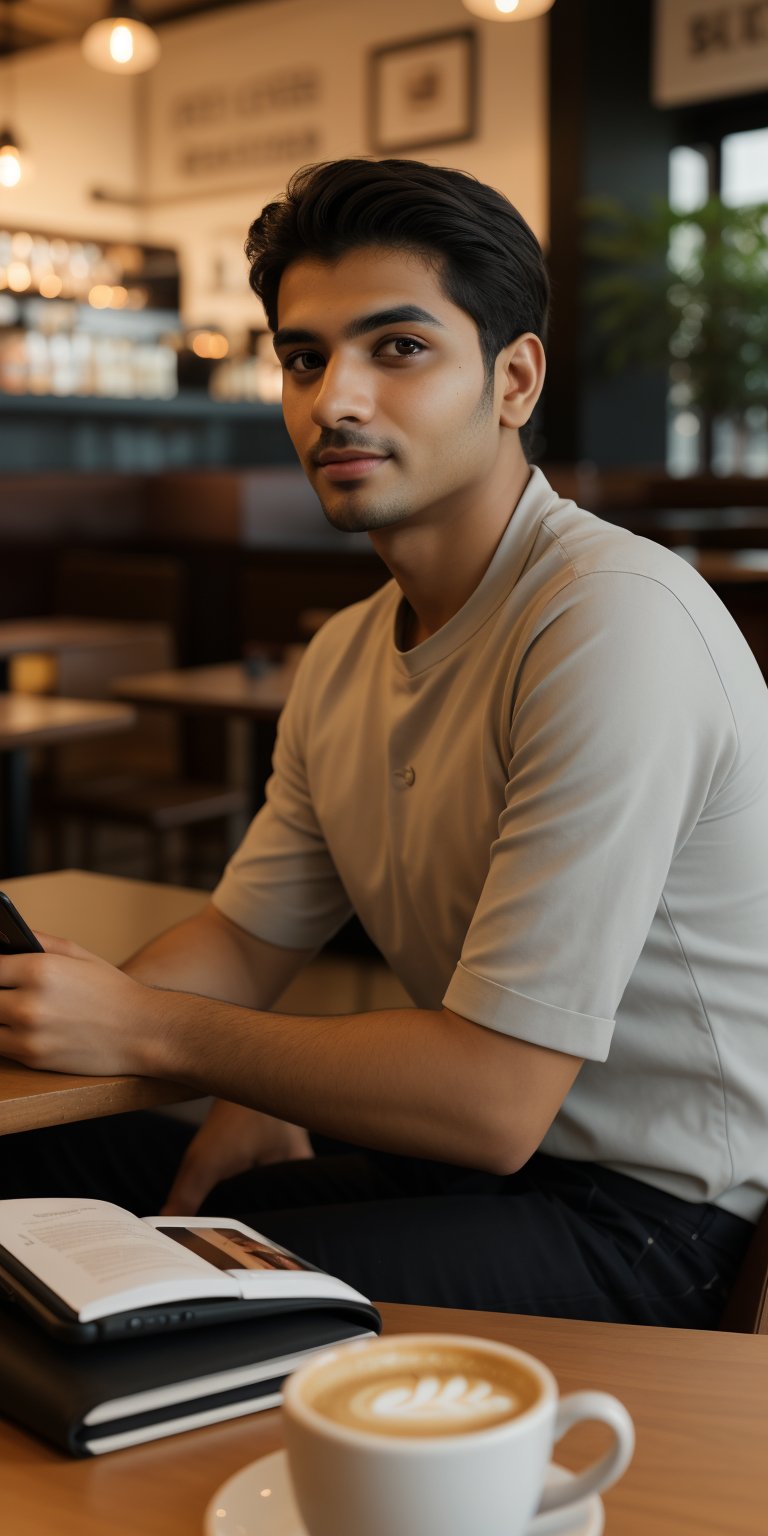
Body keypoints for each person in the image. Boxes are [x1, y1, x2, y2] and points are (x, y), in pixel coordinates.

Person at [0, 158, 766, 1326]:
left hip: (650, 1224)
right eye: (304, 359)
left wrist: (157, 1029)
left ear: (514, 378)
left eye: (397, 348)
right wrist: (57, 1001)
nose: (335, 401)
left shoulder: (612, 618)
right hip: (459, 1171)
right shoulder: (349, 649)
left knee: (102, 1307)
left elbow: (493, 1097)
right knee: (42, 1201)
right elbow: (244, 940)